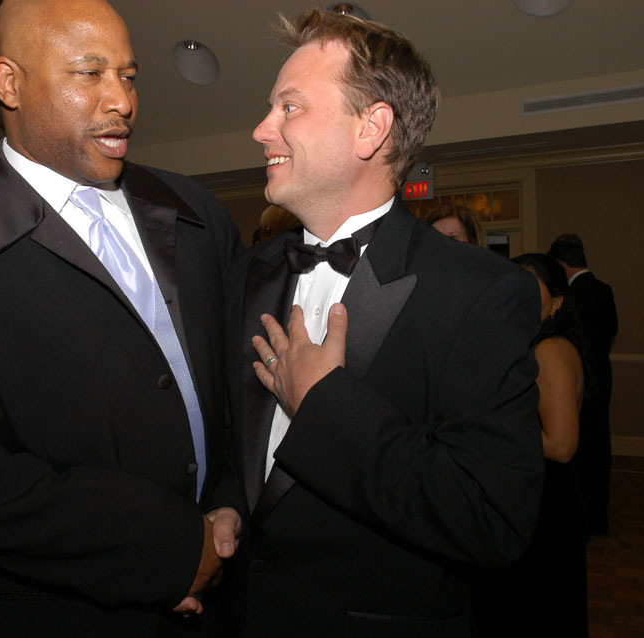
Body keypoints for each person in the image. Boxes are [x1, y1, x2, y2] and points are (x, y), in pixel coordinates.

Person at [0, 1, 242, 636]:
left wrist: (228, 508)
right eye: (89, 73)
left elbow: (234, 386)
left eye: (128, 76)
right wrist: (166, 550)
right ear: (9, 84)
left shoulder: (195, 210)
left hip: (223, 587)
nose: (122, 101)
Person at [223, 10, 544, 636]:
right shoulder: (246, 273)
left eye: (290, 107)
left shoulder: (480, 292)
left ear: (370, 128)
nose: (262, 129)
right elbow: (231, 441)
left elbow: (493, 518)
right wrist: (225, 504)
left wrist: (325, 404)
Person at [474, 252, 589, 637]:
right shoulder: (528, 347)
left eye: (528, 284)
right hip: (533, 493)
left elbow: (562, 445)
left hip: (547, 500)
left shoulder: (550, 350)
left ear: (556, 302)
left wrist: (486, 432)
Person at [548, 233, 617, 537]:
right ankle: (598, 517)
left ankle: (583, 520)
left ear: (562, 266)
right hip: (602, 379)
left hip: (579, 383)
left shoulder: (573, 297)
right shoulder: (604, 290)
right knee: (599, 448)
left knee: (581, 455)